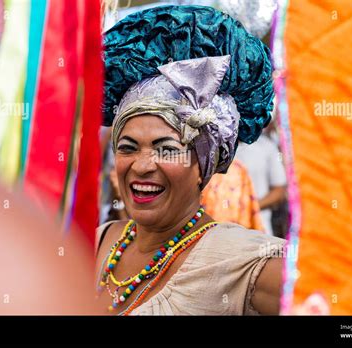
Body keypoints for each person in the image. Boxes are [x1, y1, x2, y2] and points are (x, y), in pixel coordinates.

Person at [95, 5, 285, 315]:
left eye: (166, 148)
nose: (142, 165)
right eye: (128, 147)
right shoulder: (98, 241)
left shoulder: (241, 260)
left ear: (204, 166)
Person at [236, 135, 287, 236]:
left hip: (258, 233)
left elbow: (279, 191)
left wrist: (248, 207)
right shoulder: (217, 144)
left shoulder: (268, 146)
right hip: (222, 232)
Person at [201, 159, 264, 230]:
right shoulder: (200, 167)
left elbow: (247, 206)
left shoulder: (238, 168)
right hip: (204, 231)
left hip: (235, 232)